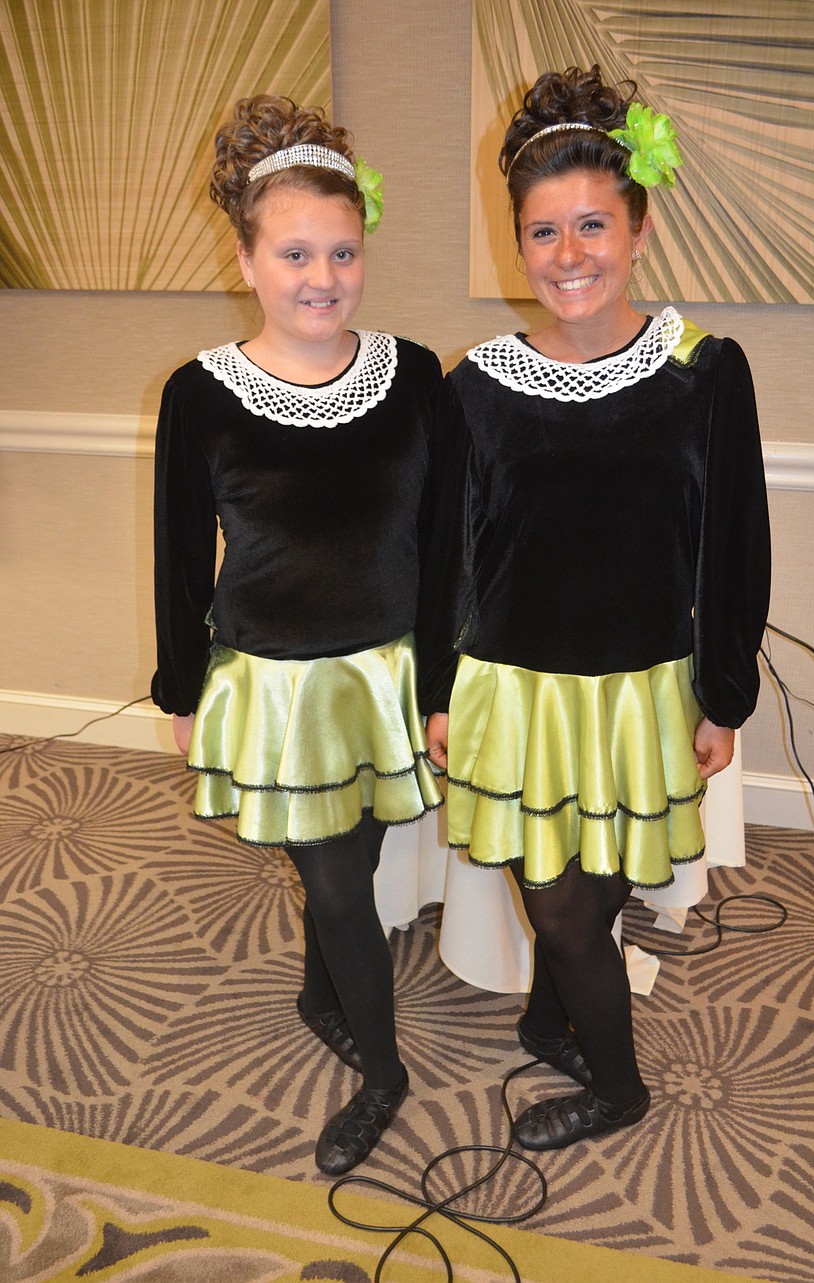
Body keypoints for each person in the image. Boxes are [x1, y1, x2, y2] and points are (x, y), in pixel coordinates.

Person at [417, 66, 770, 1151]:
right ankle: (592, 1052)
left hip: (640, 688)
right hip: (516, 689)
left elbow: (734, 547)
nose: (568, 256)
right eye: (541, 232)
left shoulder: (703, 373)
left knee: (597, 887)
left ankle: (582, 1052)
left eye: (590, 226)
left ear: (639, 225)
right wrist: (436, 691)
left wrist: (722, 693)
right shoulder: (473, 384)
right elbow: (444, 556)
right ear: (512, 239)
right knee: (562, 908)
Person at [151, 95, 443, 1175]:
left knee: (353, 862)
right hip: (273, 679)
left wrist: (445, 679)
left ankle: (323, 986)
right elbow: (180, 554)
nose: (320, 275)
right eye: (293, 252)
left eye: (342, 251)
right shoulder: (199, 394)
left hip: (384, 672)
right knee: (327, 881)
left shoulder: (414, 377)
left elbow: (445, 544)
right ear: (245, 254)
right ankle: (386, 1070)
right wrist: (181, 687)